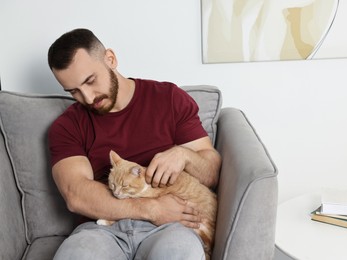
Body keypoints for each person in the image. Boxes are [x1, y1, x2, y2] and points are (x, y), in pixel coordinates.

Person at [47, 28, 221, 260]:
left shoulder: (169, 98)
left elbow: (211, 173)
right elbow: (75, 194)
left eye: (90, 81)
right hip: (103, 228)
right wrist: (152, 209)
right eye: (74, 92)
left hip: (171, 227)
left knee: (181, 253)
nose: (88, 98)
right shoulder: (68, 125)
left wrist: (184, 155)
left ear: (110, 59)